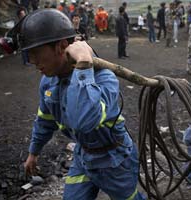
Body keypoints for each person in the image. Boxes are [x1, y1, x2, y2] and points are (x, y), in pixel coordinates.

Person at [19, 9, 145, 200]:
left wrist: (84, 62)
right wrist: (33, 153)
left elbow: (84, 120)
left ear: (61, 46)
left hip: (115, 159)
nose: (32, 61)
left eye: (36, 53)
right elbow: (44, 121)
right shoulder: (49, 81)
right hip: (83, 157)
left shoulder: (104, 79)